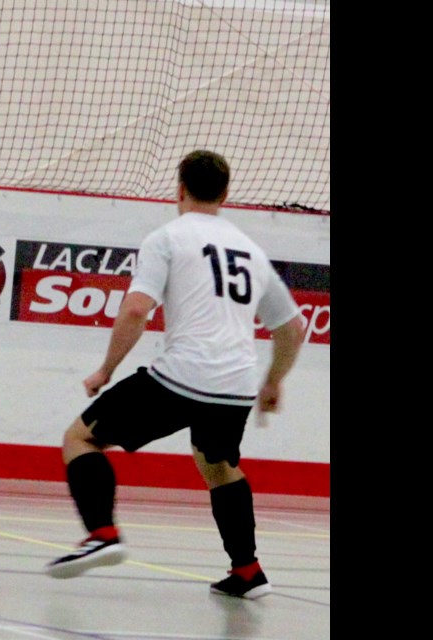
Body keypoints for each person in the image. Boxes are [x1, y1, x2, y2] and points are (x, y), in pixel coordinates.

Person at [44, 150, 305, 599]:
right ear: (225, 193)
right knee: (220, 466)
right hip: (236, 385)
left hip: (183, 375)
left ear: (179, 188)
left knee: (80, 439)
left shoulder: (167, 237)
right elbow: (293, 327)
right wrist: (273, 381)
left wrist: (106, 369)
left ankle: (102, 534)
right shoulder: (250, 249)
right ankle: (247, 569)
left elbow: (135, 310)